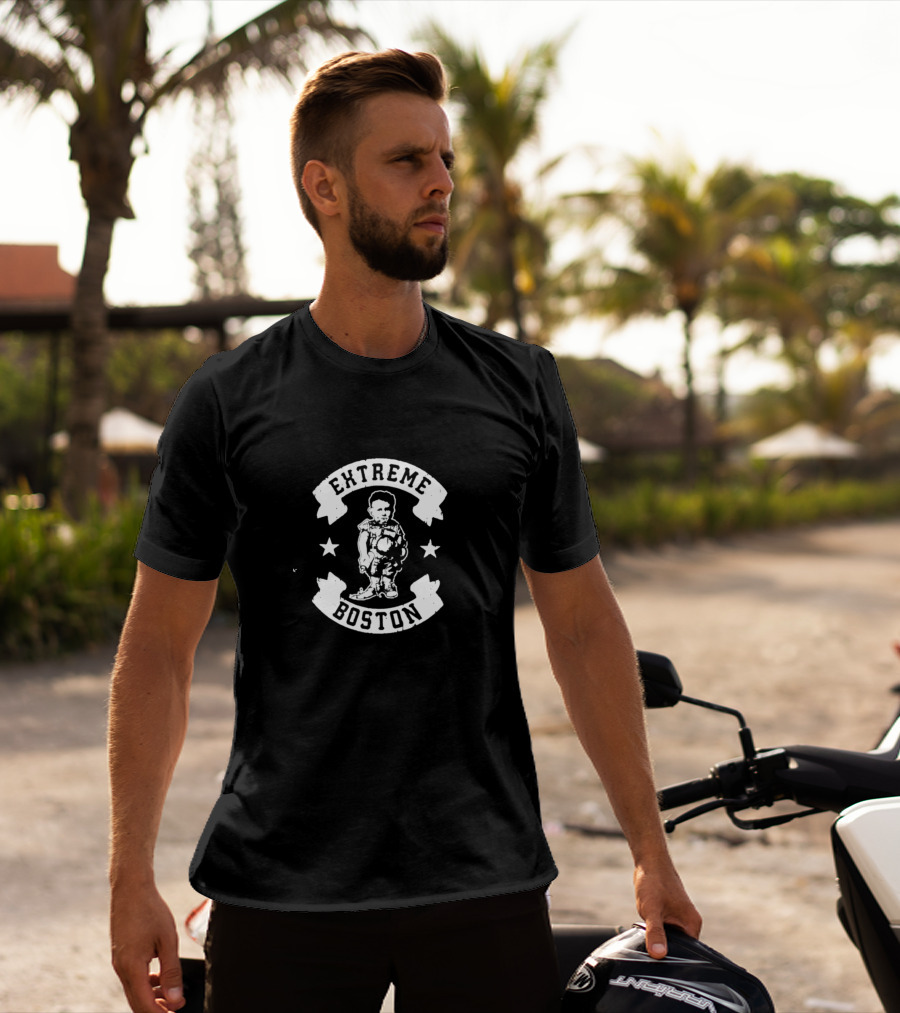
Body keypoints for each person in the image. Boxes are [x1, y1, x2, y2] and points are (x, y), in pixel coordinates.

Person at [108, 48, 701, 1013]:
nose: (442, 183)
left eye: (446, 158)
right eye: (407, 160)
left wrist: (650, 847)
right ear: (325, 188)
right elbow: (157, 651)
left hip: (483, 878)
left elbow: (584, 627)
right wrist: (129, 872)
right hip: (281, 883)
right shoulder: (228, 401)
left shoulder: (519, 385)